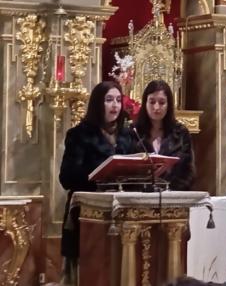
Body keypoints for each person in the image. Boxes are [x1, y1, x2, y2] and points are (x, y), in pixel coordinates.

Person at [59, 80, 137, 284]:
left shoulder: (128, 135)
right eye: (109, 100)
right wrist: (100, 174)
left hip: (122, 215)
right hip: (87, 215)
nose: (115, 105)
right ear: (97, 104)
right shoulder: (79, 134)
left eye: (119, 100)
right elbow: (66, 178)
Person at [133, 80, 195, 190]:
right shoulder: (133, 131)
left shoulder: (180, 133)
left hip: (174, 196)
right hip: (139, 197)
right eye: (152, 102)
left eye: (162, 103)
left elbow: (188, 172)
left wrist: (171, 191)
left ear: (168, 105)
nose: (156, 107)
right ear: (145, 103)